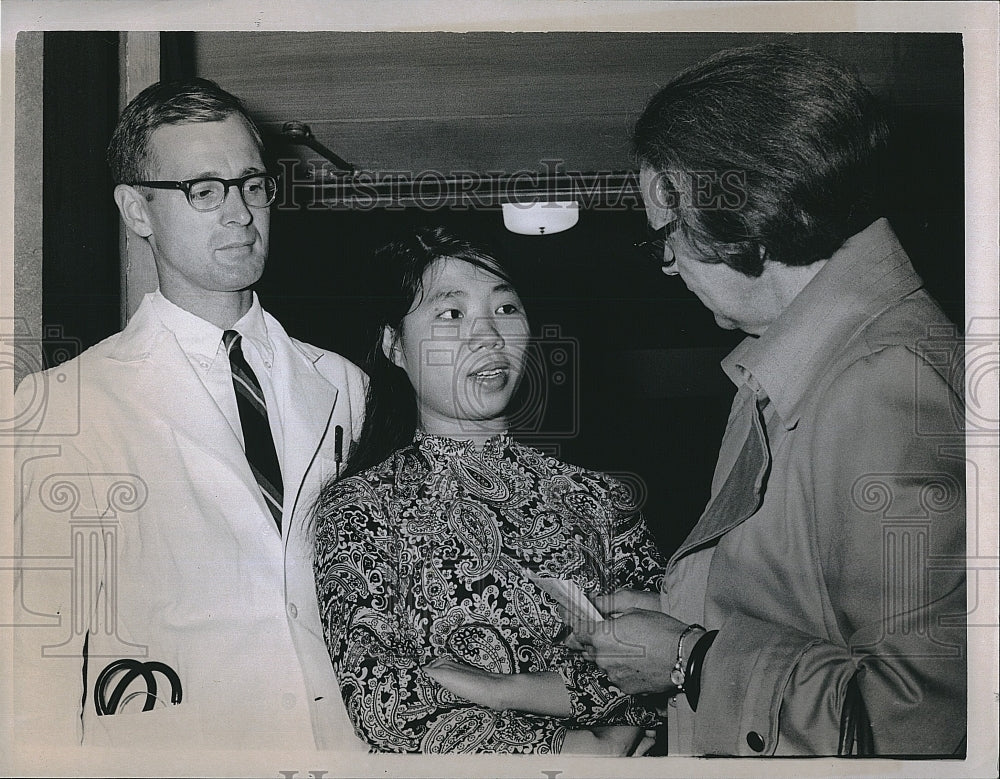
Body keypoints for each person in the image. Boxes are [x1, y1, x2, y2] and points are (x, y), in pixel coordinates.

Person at [565, 44, 967, 756]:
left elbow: (930, 716)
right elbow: (811, 610)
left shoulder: (886, 384)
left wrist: (690, 658)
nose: (665, 261)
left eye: (667, 231)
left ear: (740, 215)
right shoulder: (800, 368)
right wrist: (681, 615)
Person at [11, 78, 368, 751]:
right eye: (204, 191)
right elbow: (38, 664)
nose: (241, 214)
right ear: (137, 210)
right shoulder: (61, 407)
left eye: (253, 184)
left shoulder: (346, 385)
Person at [311, 227, 666, 754]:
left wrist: (508, 691)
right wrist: (583, 749)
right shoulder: (362, 509)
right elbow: (382, 702)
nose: (489, 337)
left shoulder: (601, 499)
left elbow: (668, 660)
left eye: (505, 309)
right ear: (395, 347)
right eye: (451, 315)